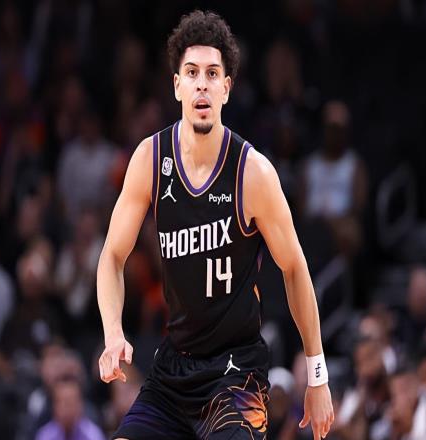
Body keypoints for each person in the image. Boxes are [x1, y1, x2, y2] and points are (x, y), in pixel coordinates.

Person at [97, 10, 334, 440]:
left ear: (226, 88)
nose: (201, 84)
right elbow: (112, 255)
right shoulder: (150, 159)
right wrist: (113, 332)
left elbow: (295, 268)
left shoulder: (252, 173)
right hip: (174, 370)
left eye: (212, 73)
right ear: (177, 86)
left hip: (236, 373)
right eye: (191, 73)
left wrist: (317, 375)